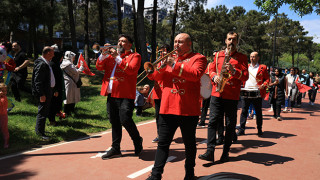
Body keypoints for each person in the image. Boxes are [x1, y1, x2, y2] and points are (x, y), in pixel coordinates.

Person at [146, 33, 207, 180]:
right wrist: (157, 68)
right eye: (175, 41)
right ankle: (156, 175)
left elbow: (195, 74)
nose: (176, 45)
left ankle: (189, 173)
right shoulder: (168, 60)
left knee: (189, 144)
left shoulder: (199, 58)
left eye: (180, 42)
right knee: (163, 143)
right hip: (168, 107)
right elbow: (156, 77)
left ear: (189, 44)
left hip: (188, 108)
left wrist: (173, 64)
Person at [198, 32, 248, 163]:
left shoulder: (242, 57)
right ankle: (210, 151)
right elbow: (211, 69)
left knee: (230, 124)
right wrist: (214, 76)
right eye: (229, 39)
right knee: (213, 121)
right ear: (225, 41)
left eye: (234, 40)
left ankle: (225, 152)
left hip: (231, 95)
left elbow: (245, 76)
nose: (231, 42)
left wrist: (234, 71)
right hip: (217, 93)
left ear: (237, 42)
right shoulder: (218, 55)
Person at [97, 34, 143, 160]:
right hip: (112, 93)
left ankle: (137, 140)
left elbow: (131, 70)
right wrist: (103, 54)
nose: (120, 43)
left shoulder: (135, 56)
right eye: (119, 41)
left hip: (125, 94)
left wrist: (117, 57)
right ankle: (115, 148)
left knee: (125, 119)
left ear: (129, 44)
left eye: (123, 41)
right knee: (114, 121)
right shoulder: (111, 57)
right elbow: (99, 67)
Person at [237, 52, 269, 137]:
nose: (252, 58)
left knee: (258, 112)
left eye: (254, 57)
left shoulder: (263, 67)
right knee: (244, 111)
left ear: (258, 58)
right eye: (251, 56)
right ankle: (242, 129)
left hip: (257, 92)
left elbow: (267, 79)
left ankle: (259, 129)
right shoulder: (246, 67)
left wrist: (263, 85)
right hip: (246, 91)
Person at [147, 44, 169, 143]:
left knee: (166, 116)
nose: (161, 53)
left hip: (167, 92)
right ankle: (159, 134)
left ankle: (166, 134)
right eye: (160, 52)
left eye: (163, 51)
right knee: (158, 116)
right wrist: (149, 72)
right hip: (157, 92)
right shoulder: (157, 63)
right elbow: (152, 78)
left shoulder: (171, 62)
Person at [31, 46, 55, 140]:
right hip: (44, 92)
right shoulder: (42, 64)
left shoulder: (46, 62)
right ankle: (40, 133)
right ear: (48, 53)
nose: (54, 55)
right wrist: (41, 94)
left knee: (45, 111)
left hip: (48, 90)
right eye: (52, 53)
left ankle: (41, 129)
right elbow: (38, 81)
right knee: (42, 112)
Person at [60, 51, 84, 116]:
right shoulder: (68, 64)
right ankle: (67, 112)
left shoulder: (65, 63)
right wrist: (81, 66)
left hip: (69, 82)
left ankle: (70, 111)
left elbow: (71, 69)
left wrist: (75, 66)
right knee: (69, 97)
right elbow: (76, 72)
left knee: (70, 97)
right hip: (71, 83)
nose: (74, 58)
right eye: (73, 57)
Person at [48, 44, 64, 126]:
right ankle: (52, 121)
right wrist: (56, 90)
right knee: (53, 105)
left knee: (55, 104)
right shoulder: (53, 65)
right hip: (55, 89)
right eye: (62, 57)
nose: (62, 58)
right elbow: (54, 79)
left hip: (57, 89)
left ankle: (53, 119)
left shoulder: (55, 64)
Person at [0, 83, 9, 148]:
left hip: (3, 116)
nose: (3, 92)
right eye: (2, 91)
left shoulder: (4, 98)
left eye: (5, 91)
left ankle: (6, 142)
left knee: (4, 129)